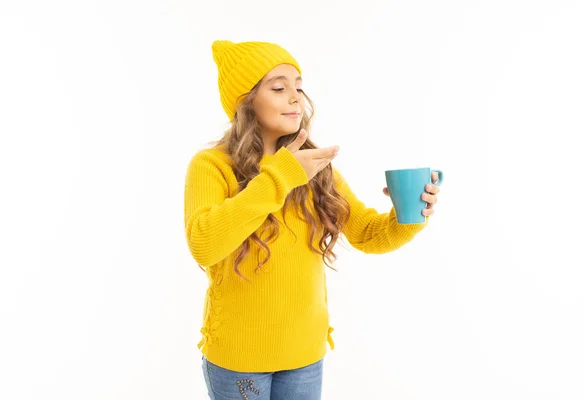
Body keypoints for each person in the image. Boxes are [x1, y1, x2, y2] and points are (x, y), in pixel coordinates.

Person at [184, 40, 440, 400]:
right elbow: (204, 244)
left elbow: (367, 233)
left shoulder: (316, 166)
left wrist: (409, 216)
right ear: (246, 101)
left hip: (305, 355)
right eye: (278, 87)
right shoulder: (212, 166)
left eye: (299, 87)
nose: (295, 97)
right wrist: (282, 176)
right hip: (239, 359)